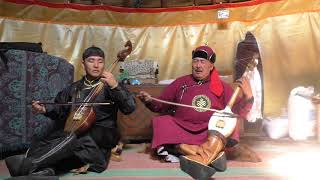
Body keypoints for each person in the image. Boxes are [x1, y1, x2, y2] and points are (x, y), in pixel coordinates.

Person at [5, 46, 136, 178]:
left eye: (100, 61)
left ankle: (26, 166)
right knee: (49, 141)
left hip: (99, 139)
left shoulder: (110, 85)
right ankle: (44, 173)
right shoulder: (74, 88)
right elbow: (60, 108)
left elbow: (129, 108)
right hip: (76, 138)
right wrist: (44, 109)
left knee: (71, 138)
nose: (96, 65)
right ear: (83, 64)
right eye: (91, 61)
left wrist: (115, 86)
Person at [137, 45, 253, 164]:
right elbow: (161, 105)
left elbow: (237, 111)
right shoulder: (180, 83)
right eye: (195, 61)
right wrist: (149, 100)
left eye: (202, 62)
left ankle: (195, 153)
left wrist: (248, 98)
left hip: (208, 131)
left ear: (211, 66)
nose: (198, 65)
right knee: (160, 122)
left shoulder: (222, 87)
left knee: (233, 126)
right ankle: (205, 154)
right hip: (183, 128)